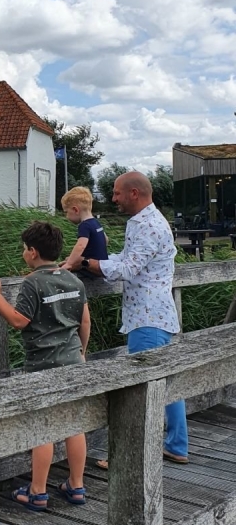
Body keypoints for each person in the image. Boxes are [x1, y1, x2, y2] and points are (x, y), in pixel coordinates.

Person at [78, 171, 188, 467]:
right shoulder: (149, 222)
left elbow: (128, 269)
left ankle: (128, 456)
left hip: (147, 317)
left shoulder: (148, 226)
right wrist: (98, 261)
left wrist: (86, 263)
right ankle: (177, 445)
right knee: (166, 386)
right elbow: (126, 258)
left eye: (116, 193)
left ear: (134, 193)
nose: (113, 198)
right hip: (158, 315)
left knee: (139, 390)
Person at [0, 221, 91, 511]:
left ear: (32, 252)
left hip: (42, 366)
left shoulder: (33, 282)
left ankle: (38, 491)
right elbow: (84, 322)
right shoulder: (73, 280)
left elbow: (20, 321)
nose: (23, 253)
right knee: (74, 423)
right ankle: (76, 485)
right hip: (73, 362)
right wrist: (80, 351)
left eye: (23, 249)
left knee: (43, 427)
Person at [59, 186, 108, 278]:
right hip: (102, 264)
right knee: (72, 259)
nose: (66, 216)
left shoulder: (84, 225)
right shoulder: (95, 222)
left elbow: (81, 246)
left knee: (67, 264)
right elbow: (105, 240)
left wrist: (69, 263)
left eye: (66, 212)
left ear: (75, 210)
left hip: (91, 268)